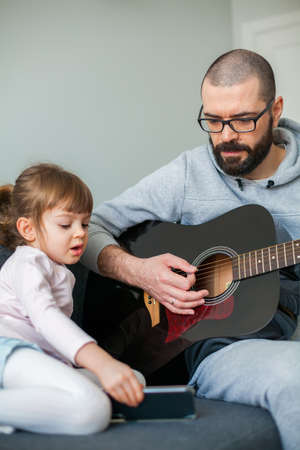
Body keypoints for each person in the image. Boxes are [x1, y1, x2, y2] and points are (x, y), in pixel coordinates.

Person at [81, 49, 300, 450]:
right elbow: (91, 227)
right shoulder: (188, 172)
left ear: (276, 109)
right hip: (210, 349)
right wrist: (139, 271)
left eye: (243, 120)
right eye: (213, 121)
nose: (226, 136)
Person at [0, 163, 144, 435]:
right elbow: (45, 317)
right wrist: (103, 363)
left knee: (134, 379)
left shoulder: (60, 270)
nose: (79, 232)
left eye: (85, 223)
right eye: (66, 224)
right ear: (28, 229)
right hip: (9, 353)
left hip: (37, 360)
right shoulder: (28, 263)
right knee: (92, 410)